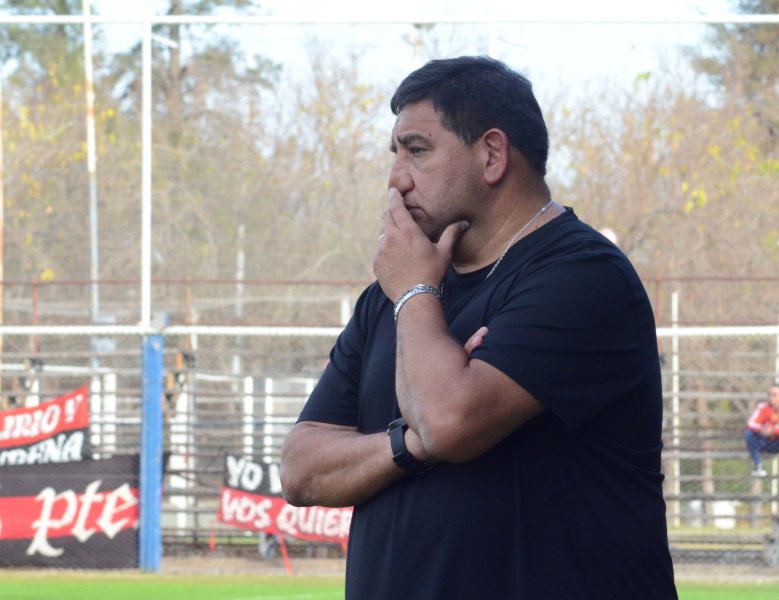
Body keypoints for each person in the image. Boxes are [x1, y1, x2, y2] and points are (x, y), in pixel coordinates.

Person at [280, 56, 677, 599]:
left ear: (492, 154)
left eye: (417, 150)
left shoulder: (584, 275)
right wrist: (410, 443)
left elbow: (448, 423)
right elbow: (300, 469)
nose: (396, 179)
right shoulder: (390, 295)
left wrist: (416, 295)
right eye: (396, 154)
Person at [744, 385, 779, 476]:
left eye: (774, 395)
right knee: (748, 434)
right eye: (769, 394)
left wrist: (774, 430)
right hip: (765, 442)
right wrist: (762, 429)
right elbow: (751, 423)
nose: (771, 397)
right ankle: (759, 466)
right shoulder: (762, 406)